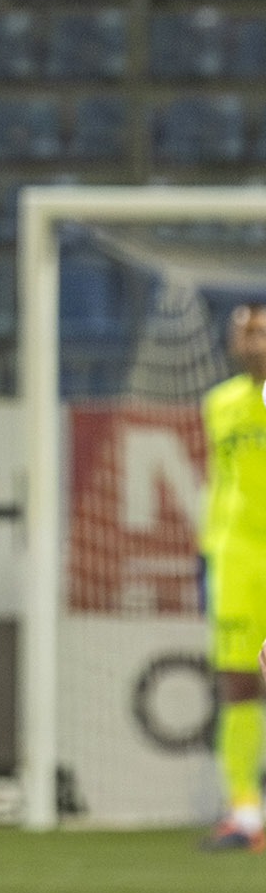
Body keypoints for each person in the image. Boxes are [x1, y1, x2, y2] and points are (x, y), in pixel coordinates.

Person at [199, 303, 266, 851]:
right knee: (239, 683)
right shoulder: (219, 403)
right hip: (238, 559)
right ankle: (245, 813)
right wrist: (210, 551)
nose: (253, 342)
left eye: (262, 332)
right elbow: (221, 483)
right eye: (245, 333)